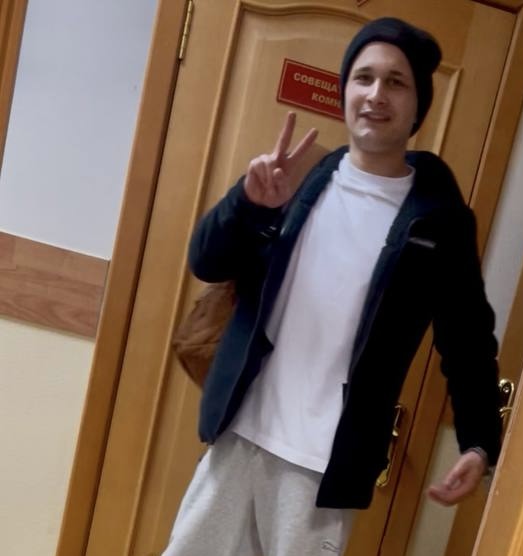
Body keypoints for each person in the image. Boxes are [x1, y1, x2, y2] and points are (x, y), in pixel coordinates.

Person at [163, 17, 502, 556]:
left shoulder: (438, 221)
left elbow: (467, 338)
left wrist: (479, 441)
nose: (376, 94)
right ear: (345, 90)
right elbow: (207, 261)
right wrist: (247, 206)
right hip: (237, 437)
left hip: (320, 471)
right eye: (364, 77)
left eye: (396, 82)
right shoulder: (299, 179)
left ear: (418, 105)